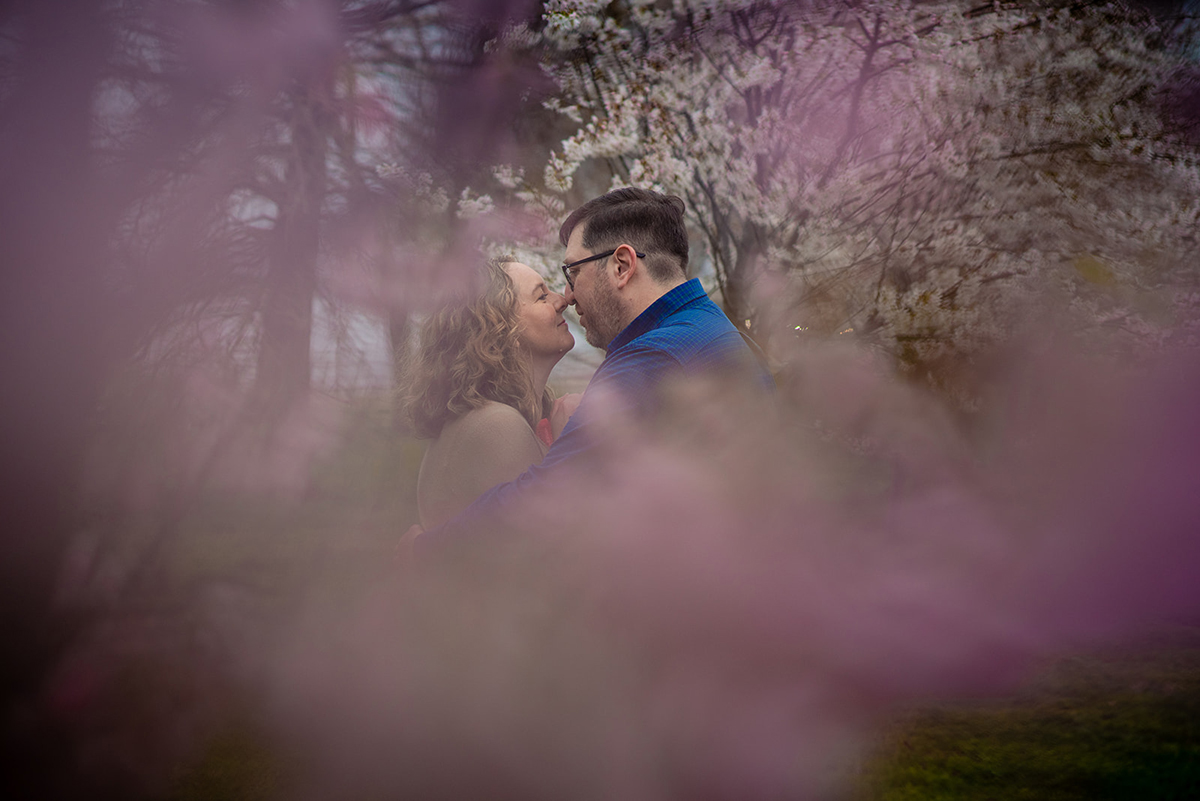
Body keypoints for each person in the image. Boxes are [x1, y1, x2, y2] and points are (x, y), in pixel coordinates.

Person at [409, 187, 773, 552]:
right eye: (546, 291)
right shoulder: (698, 328)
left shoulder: (652, 356)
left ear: (622, 266)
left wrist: (425, 550)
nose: (567, 295)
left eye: (572, 272)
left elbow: (548, 502)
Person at [406, 257, 579, 528]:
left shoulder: (488, 418)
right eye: (541, 297)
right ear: (499, 326)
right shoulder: (497, 424)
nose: (561, 301)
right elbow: (541, 546)